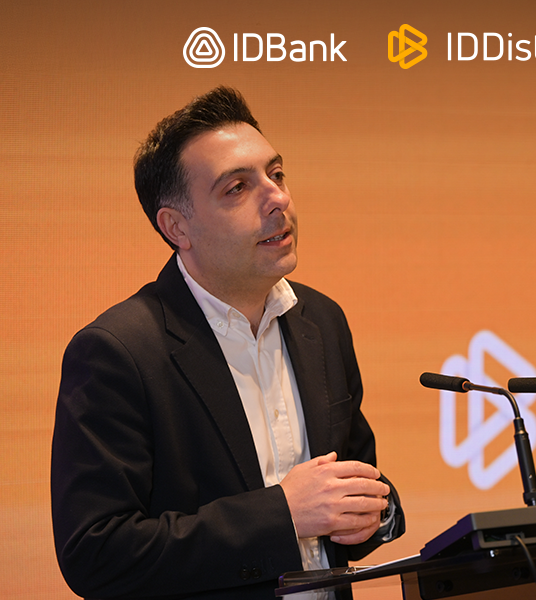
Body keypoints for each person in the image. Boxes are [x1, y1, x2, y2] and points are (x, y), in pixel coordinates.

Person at [51, 86, 405, 600]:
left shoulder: (322, 321)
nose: (277, 198)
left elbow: (354, 479)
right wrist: (282, 514)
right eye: (237, 188)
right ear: (177, 227)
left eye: (276, 174)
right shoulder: (118, 352)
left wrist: (377, 513)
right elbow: (96, 554)